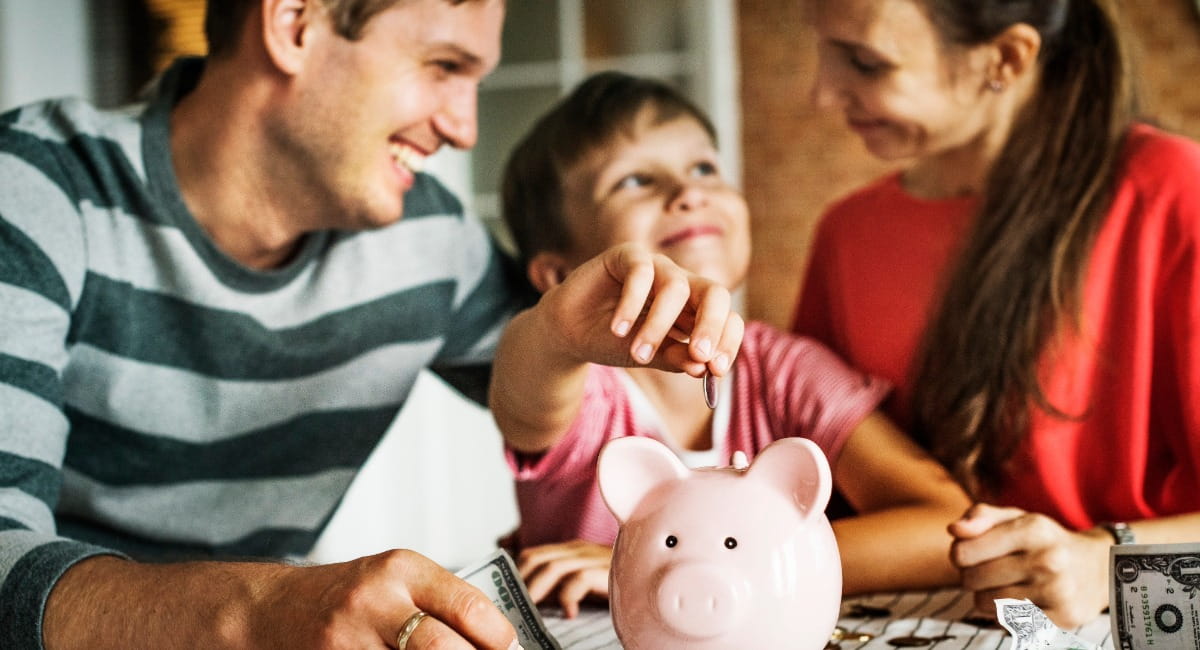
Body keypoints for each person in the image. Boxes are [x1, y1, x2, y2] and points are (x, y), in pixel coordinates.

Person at [0, 1, 745, 648]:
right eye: (443, 65)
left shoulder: (432, 242)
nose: (463, 126)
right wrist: (260, 616)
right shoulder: (31, 189)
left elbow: (559, 408)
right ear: (294, 24)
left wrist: (601, 329)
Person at [489, 70, 972, 618]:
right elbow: (522, 401)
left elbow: (944, 523)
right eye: (634, 181)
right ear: (559, 276)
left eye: (703, 168)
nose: (689, 192)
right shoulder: (582, 387)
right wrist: (555, 331)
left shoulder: (787, 371)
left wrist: (713, 563)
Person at [794, 0, 1200, 627]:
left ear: (1006, 58)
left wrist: (1107, 562)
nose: (823, 94)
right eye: (823, 49)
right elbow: (813, 489)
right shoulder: (847, 235)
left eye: (867, 63)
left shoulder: (1175, 192)